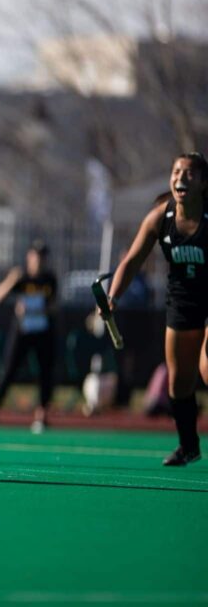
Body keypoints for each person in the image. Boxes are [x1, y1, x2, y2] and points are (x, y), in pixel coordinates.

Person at [108, 152, 207, 466]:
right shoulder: (159, 217)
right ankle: (189, 446)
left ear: (204, 183)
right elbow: (132, 261)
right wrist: (113, 298)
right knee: (179, 382)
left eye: (190, 173)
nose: (181, 177)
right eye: (177, 171)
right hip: (181, 302)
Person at [0, 240, 58, 432]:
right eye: (36, 255)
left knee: (45, 373)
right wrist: (12, 279)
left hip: (43, 332)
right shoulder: (21, 277)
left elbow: (55, 306)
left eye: (43, 256)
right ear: (29, 257)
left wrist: (41, 309)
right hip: (23, 331)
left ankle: (41, 415)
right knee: (9, 369)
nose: (40, 260)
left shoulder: (49, 279)